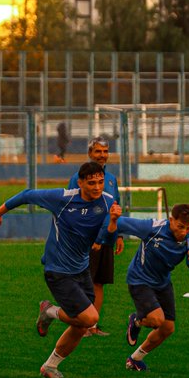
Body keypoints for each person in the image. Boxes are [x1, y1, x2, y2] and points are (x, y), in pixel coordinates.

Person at [0, 160, 116, 378]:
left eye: (100, 182)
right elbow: (27, 194)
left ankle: (50, 366)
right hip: (58, 271)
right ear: (80, 182)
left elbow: (107, 240)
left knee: (83, 324)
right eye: (91, 183)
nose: (96, 187)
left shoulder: (107, 201)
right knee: (90, 317)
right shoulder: (63, 199)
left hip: (82, 269)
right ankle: (50, 312)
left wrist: (113, 224)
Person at [103, 201, 189, 373]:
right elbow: (118, 223)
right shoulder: (152, 228)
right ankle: (137, 320)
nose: (184, 232)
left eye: (188, 227)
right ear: (171, 220)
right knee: (156, 319)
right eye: (180, 226)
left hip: (162, 282)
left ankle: (135, 359)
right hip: (140, 279)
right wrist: (111, 232)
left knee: (167, 328)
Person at [68, 136, 123, 336]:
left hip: (107, 237)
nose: (102, 155)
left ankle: (92, 325)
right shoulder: (78, 178)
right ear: (90, 153)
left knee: (99, 282)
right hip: (87, 239)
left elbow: (115, 207)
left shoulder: (110, 179)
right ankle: (80, 325)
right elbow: (70, 207)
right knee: (84, 282)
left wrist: (118, 235)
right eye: (98, 151)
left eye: (105, 152)